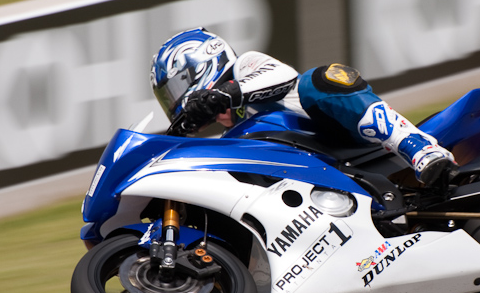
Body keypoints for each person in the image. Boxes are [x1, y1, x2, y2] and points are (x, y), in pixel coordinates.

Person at [150, 27, 456, 186]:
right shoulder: (230, 130)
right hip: (320, 169)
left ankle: (418, 148)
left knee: (320, 80)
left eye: (175, 89)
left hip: (340, 135)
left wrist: (225, 93)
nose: (176, 101)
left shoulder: (246, 66)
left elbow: (283, 76)